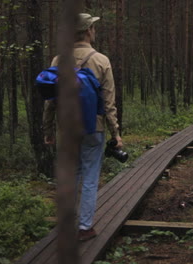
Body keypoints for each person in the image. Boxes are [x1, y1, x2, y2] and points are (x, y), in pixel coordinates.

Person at [42, 13, 123, 241]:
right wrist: (115, 134)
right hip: (93, 128)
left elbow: (50, 100)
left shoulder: (58, 60)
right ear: (88, 31)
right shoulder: (101, 61)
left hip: (66, 129)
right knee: (89, 177)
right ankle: (85, 227)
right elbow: (109, 103)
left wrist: (48, 130)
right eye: (93, 28)